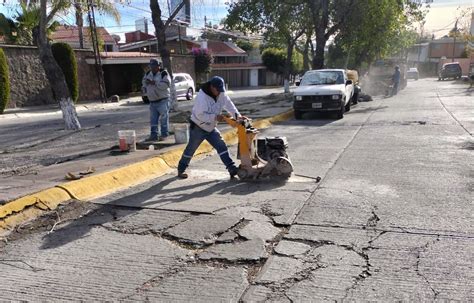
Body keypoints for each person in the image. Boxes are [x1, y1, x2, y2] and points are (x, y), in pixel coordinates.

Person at [177, 76, 242, 179]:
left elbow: (229, 105)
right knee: (191, 149)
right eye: (217, 90)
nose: (219, 93)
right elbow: (200, 115)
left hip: (211, 127)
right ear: (212, 87)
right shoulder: (202, 97)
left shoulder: (221, 93)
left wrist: (238, 117)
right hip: (198, 127)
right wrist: (215, 117)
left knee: (221, 146)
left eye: (221, 90)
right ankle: (181, 169)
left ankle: (232, 168)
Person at [142, 58, 171, 141]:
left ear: (158, 66)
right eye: (151, 66)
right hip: (152, 101)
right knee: (153, 120)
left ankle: (164, 135)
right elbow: (143, 82)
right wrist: (145, 86)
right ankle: (154, 135)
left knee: (164, 119)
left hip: (163, 100)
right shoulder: (148, 73)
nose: (153, 68)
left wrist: (154, 83)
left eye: (154, 66)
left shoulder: (164, 73)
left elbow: (166, 85)